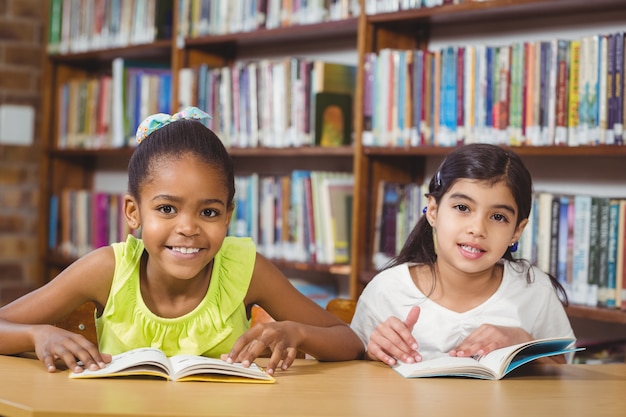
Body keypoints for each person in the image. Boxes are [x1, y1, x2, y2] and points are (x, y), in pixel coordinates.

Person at [0, 107, 364, 375]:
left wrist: (297, 332)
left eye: (209, 213)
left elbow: (348, 341)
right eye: (167, 209)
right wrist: (37, 335)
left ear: (228, 215)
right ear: (133, 212)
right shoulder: (107, 269)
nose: (188, 228)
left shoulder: (245, 268)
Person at [350, 143, 574, 367]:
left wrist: (525, 343)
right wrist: (372, 353)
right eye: (462, 208)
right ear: (434, 211)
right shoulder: (386, 291)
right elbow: (354, 367)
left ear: (516, 231)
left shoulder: (535, 290)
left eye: (497, 217)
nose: (477, 229)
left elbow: (563, 372)